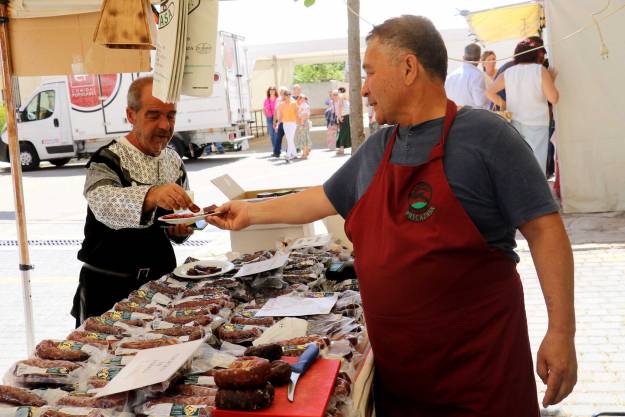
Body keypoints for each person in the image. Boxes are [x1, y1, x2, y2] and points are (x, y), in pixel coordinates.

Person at [207, 15, 576, 416]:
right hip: (403, 382)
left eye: (369, 72)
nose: (362, 88)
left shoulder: (486, 137)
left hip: (479, 378)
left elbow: (546, 231)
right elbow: (322, 198)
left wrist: (562, 332)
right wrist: (249, 214)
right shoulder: (379, 146)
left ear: (408, 67)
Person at [72, 76, 198, 326]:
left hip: (161, 284)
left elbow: (179, 220)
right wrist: (152, 194)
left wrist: (182, 229)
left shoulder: (173, 160)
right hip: (109, 289)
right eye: (154, 115)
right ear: (131, 115)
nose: (165, 124)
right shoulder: (107, 159)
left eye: (171, 115)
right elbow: (102, 204)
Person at [486, 37, 559, 175]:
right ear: (535, 53)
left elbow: (489, 92)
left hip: (515, 123)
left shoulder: (508, 72)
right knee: (537, 167)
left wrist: (503, 103)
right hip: (537, 124)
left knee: (518, 165)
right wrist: (551, 81)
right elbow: (553, 98)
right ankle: (537, 195)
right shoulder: (540, 70)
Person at [445, 43, 488, 109]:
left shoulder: (451, 75)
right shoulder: (478, 75)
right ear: (479, 59)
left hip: (453, 116)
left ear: (463, 58)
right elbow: (480, 102)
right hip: (470, 117)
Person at [276, 89, 298, 162]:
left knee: (290, 139)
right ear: (284, 96)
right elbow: (281, 116)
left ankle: (288, 155)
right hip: (285, 123)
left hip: (292, 123)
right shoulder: (281, 104)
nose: (288, 96)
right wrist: (277, 124)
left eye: (289, 94)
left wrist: (300, 121)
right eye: (287, 95)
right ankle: (294, 154)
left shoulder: (294, 103)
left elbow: (297, 113)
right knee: (289, 139)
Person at [272, 86, 288, 158]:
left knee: (289, 137)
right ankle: (276, 152)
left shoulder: (288, 99)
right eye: (280, 92)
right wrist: (274, 121)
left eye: (283, 92)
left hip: (287, 121)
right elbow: (275, 111)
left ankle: (289, 151)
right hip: (280, 121)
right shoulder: (278, 100)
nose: (281, 93)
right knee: (278, 137)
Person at [295, 95, 312, 159]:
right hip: (304, 122)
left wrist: (301, 123)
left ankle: (304, 153)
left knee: (303, 138)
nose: (302, 100)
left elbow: (304, 115)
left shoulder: (303, 105)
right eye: (300, 99)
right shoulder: (304, 105)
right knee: (306, 137)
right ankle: (306, 151)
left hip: (303, 122)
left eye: (303, 99)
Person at [335, 86, 351, 155]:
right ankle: (341, 148)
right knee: (344, 132)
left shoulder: (341, 96)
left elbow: (340, 106)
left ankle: (341, 148)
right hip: (345, 116)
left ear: (339, 91)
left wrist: (340, 116)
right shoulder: (346, 97)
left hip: (344, 116)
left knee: (343, 132)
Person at [263, 86, 279, 155]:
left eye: (273, 90)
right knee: (271, 134)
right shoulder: (266, 100)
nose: (272, 91)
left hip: (276, 118)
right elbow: (264, 109)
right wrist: (266, 115)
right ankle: (274, 149)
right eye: (270, 90)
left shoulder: (278, 99)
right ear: (269, 92)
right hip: (269, 118)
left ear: (275, 91)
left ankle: (277, 150)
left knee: (276, 134)